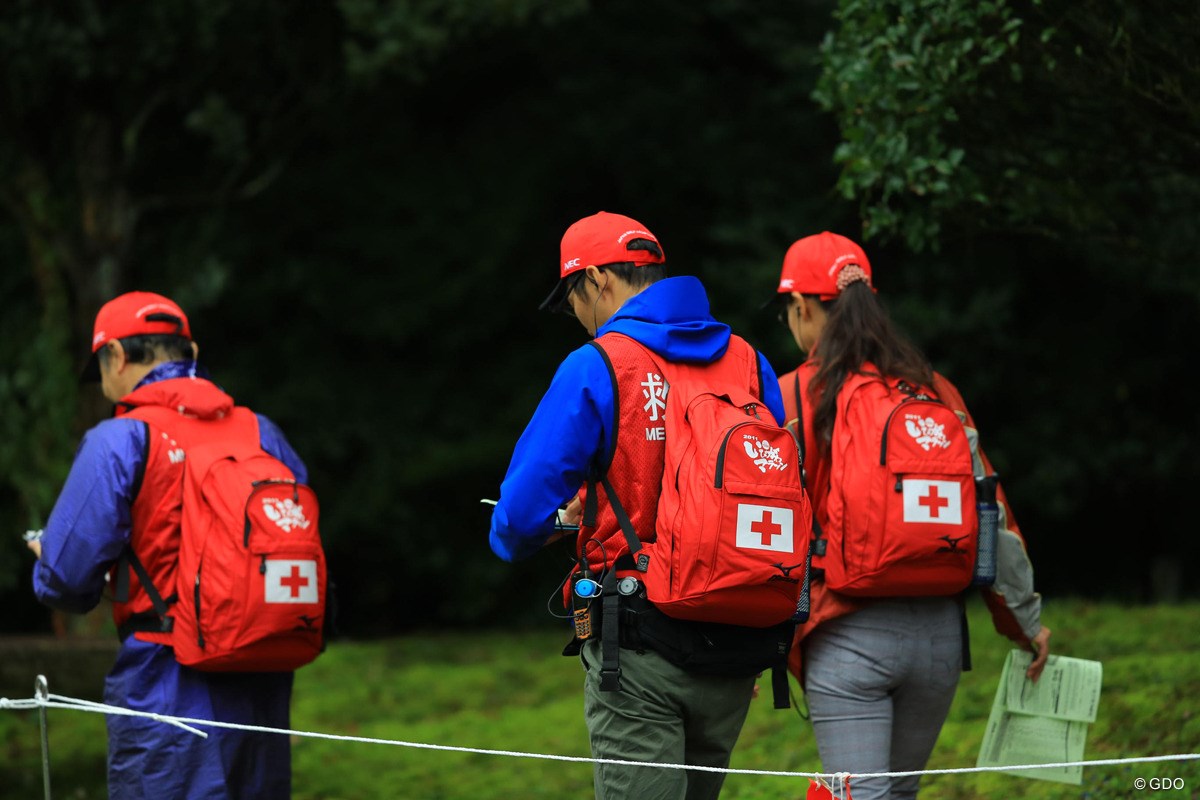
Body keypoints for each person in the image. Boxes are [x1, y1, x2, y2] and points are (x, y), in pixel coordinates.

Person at [489, 211, 788, 800]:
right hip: (736, 641)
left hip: (639, 644)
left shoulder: (600, 364)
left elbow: (517, 518)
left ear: (598, 279)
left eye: (573, 298)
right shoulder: (749, 361)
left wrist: (555, 525)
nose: (577, 318)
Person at [770, 232, 1052, 800]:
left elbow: (758, 527)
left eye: (789, 312)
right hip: (939, 641)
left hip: (845, 636)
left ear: (801, 307)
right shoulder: (934, 390)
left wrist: (746, 644)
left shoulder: (793, 397)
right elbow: (991, 514)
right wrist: (1024, 622)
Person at [28, 291, 304, 799]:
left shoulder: (119, 439)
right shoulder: (262, 433)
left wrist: (48, 560)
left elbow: (67, 582)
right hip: (262, 679)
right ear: (191, 352)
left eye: (102, 368)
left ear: (114, 356)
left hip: (165, 683)